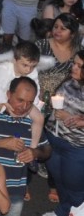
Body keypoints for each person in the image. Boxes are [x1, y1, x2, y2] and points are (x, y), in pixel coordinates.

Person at [0, 77, 52, 216]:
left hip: (15, 191)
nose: (24, 106)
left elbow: (47, 150)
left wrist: (34, 153)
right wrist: (0, 143)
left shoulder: (32, 121)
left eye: (30, 102)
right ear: (8, 94)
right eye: (20, 100)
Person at [44, 50, 84, 216]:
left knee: (75, 188)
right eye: (74, 63)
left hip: (75, 147)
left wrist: (79, 120)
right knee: (60, 182)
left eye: (80, 66)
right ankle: (62, 211)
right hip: (54, 140)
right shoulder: (70, 81)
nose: (73, 67)